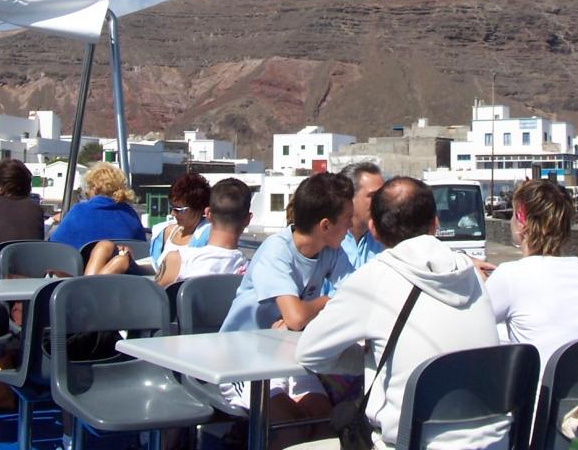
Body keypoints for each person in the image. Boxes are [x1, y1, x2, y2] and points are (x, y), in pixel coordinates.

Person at [297, 176, 505, 450]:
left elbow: (309, 352)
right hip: (495, 443)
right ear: (435, 223)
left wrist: (367, 358)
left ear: (374, 229)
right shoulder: (472, 274)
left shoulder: (373, 279)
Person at [219, 171, 355, 446]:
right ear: (325, 225)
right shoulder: (275, 251)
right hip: (243, 360)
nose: (351, 226)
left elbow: (355, 298)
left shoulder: (331, 250)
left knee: (324, 426)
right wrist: (325, 302)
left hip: (290, 356)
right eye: (347, 220)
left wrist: (311, 311)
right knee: (291, 429)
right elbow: (295, 317)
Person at [485, 179, 578, 377]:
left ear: (521, 219)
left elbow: (472, 325)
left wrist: (471, 278)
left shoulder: (510, 275)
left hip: (544, 402)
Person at [87, 172, 212, 276]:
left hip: (163, 289)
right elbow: (154, 267)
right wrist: (132, 261)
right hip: (149, 279)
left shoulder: (207, 235)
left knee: (121, 261)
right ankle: (83, 292)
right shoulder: (166, 232)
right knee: (104, 245)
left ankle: (83, 296)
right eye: (171, 207)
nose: (172, 213)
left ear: (199, 208)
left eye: (178, 210)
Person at [155, 177, 251, 285]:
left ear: (208, 213)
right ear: (248, 219)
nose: (173, 213)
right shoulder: (252, 274)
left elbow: (152, 299)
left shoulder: (176, 260)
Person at [49, 162, 145, 251]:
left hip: (84, 268)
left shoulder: (79, 212)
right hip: (122, 268)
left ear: (95, 188)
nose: (86, 191)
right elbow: (142, 250)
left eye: (88, 187)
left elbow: (55, 247)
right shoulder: (130, 215)